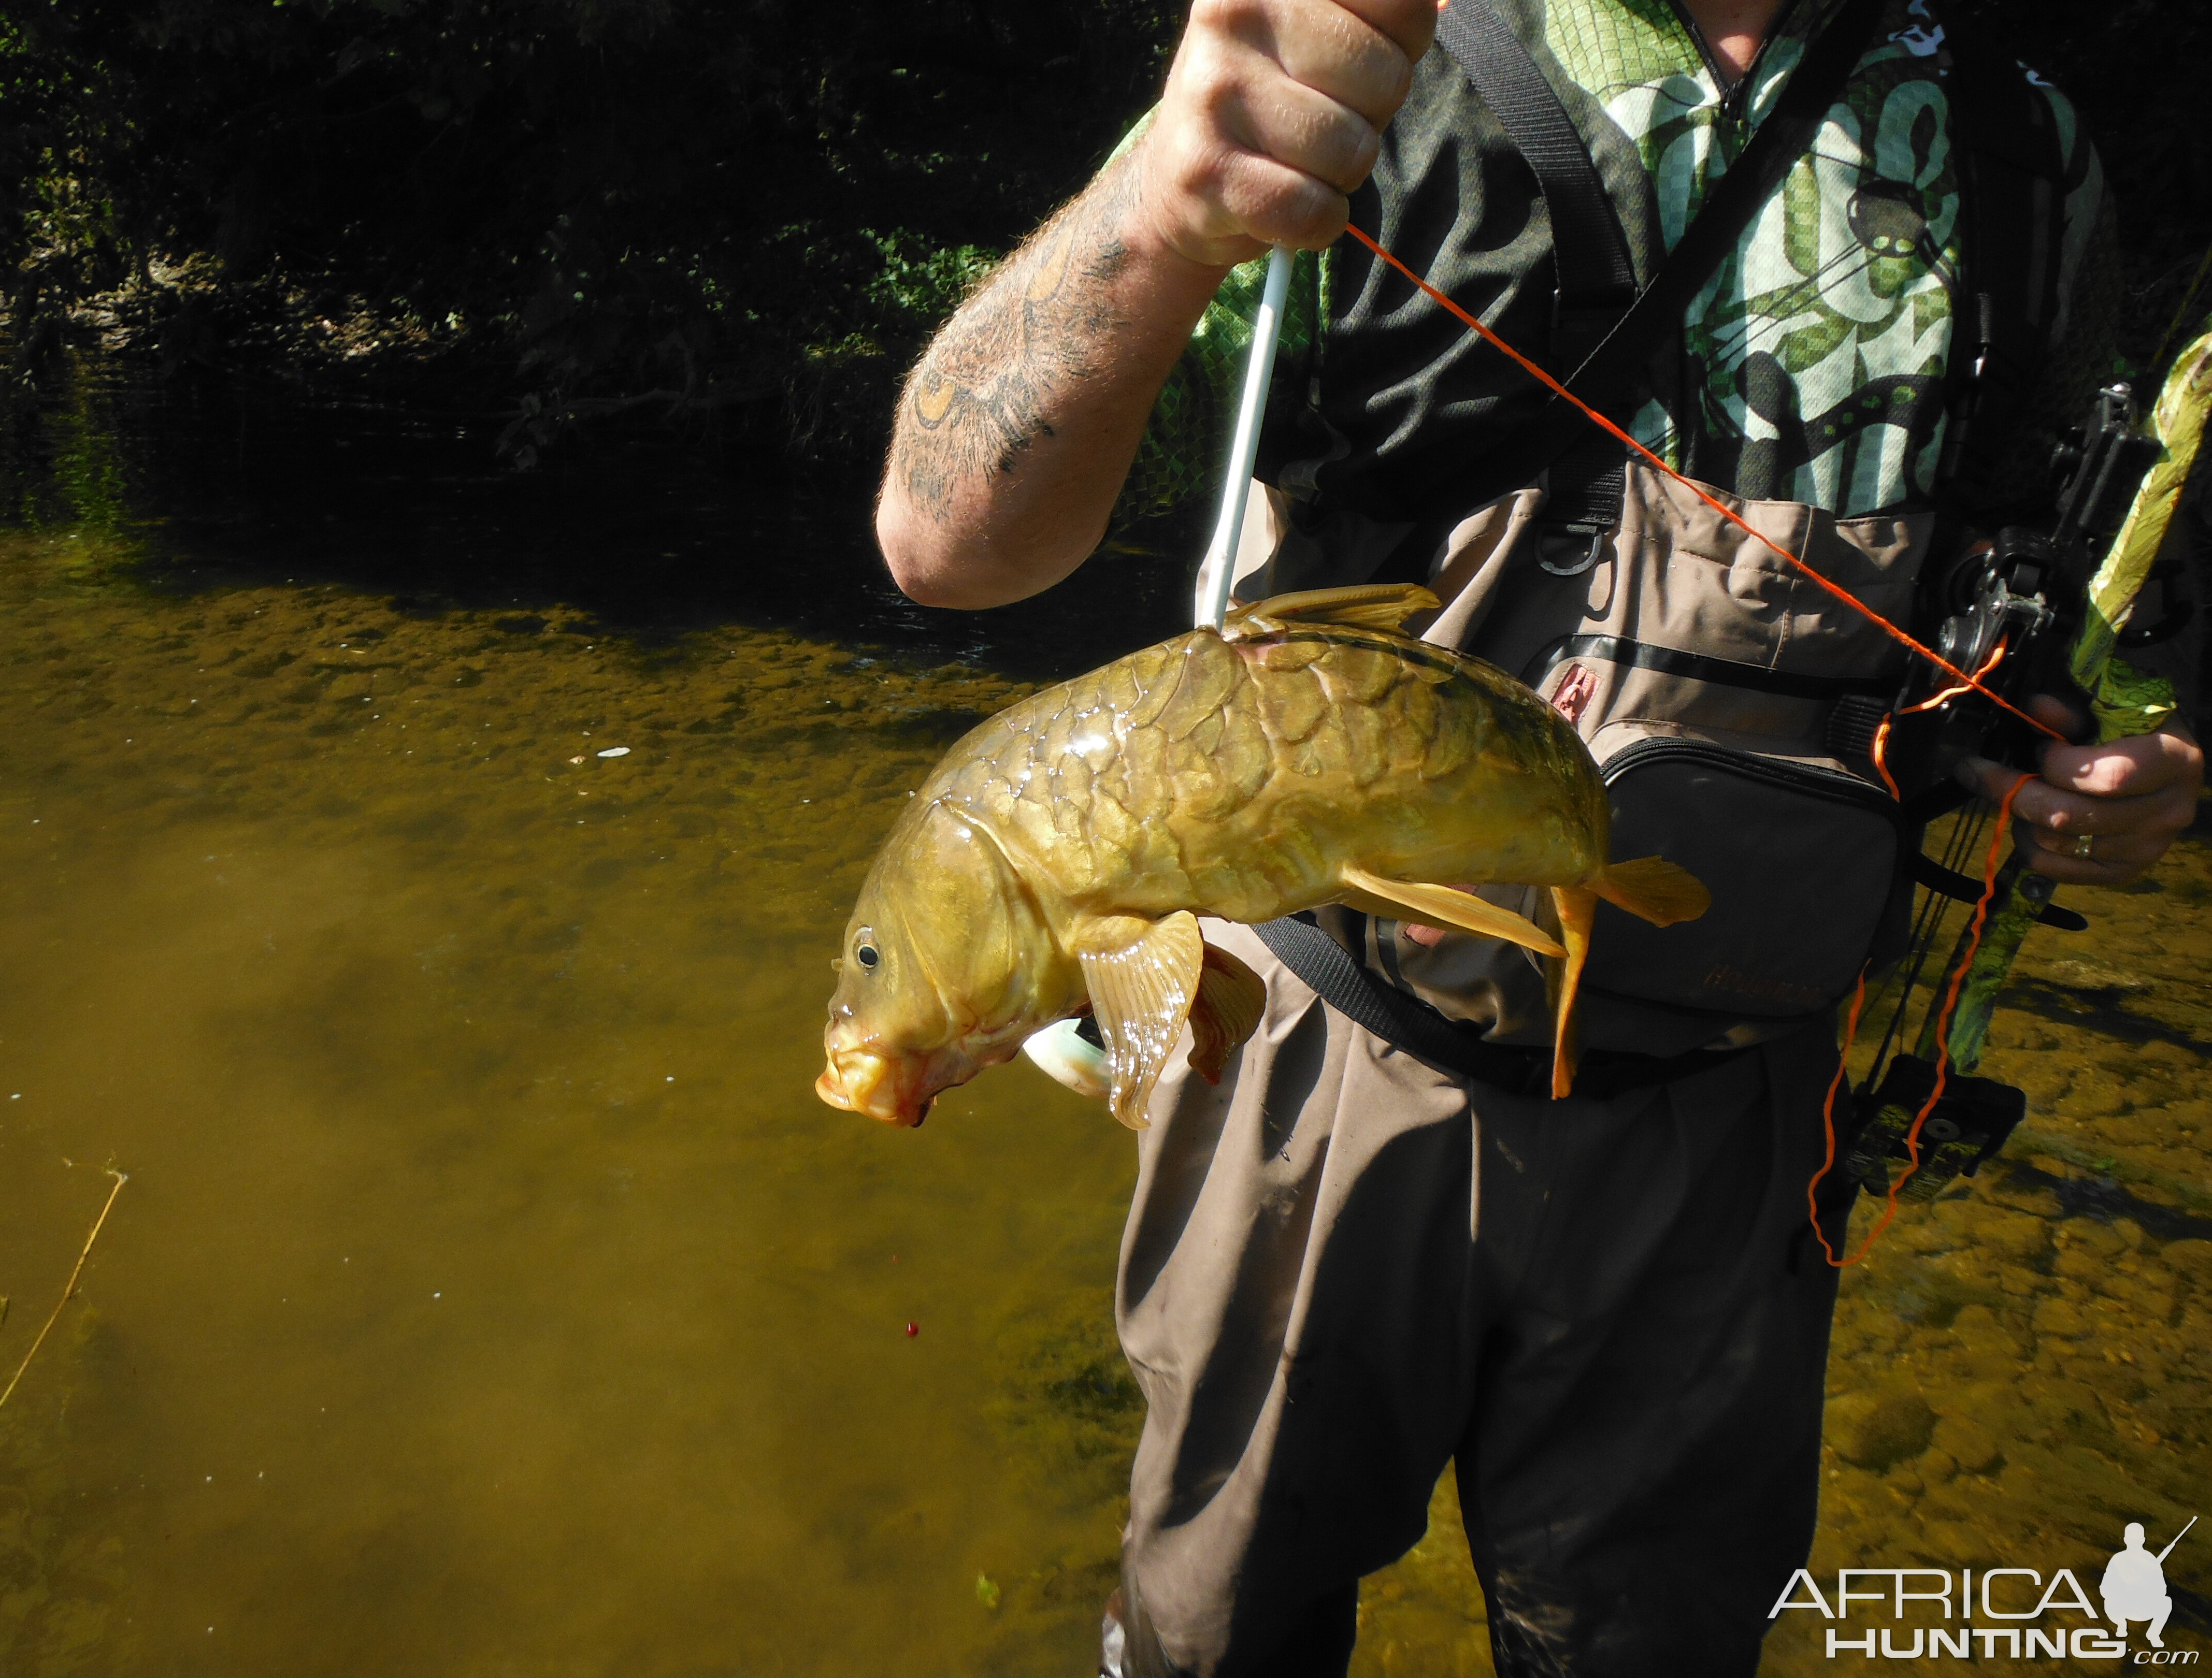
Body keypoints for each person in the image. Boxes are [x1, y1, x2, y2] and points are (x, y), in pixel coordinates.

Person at [875, 0, 2206, 1672]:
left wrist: (2124, 760)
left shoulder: (2022, 145)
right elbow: (945, 541)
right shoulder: (1360, 56)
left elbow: (2033, 588)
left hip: (1744, 1099)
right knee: (1224, 1629)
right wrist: (1157, 202)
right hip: (1332, 1053)